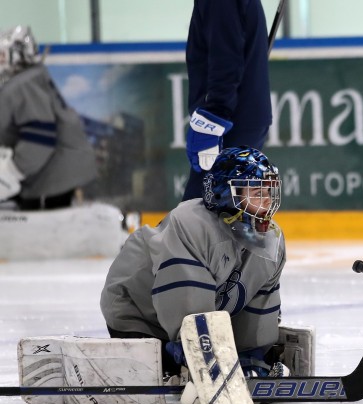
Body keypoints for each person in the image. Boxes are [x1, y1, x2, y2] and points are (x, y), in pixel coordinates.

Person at [100, 146, 285, 378]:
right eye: (257, 194)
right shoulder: (191, 225)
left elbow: (258, 309)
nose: (267, 203)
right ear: (226, 194)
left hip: (201, 315)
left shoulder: (273, 242)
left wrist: (253, 357)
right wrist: (197, 353)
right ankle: (165, 360)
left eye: (269, 192)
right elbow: (186, 303)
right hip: (138, 316)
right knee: (179, 349)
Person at [182, 0, 272, 201]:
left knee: (199, 216)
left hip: (231, 123)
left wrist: (214, 117)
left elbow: (226, 58)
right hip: (239, 117)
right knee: (219, 215)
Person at [0, 25, 96, 210]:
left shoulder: (23, 84)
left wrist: (11, 172)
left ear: (17, 55)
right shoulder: (30, 78)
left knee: (40, 230)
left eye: (2, 55)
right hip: (52, 173)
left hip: (52, 177)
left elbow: (39, 140)